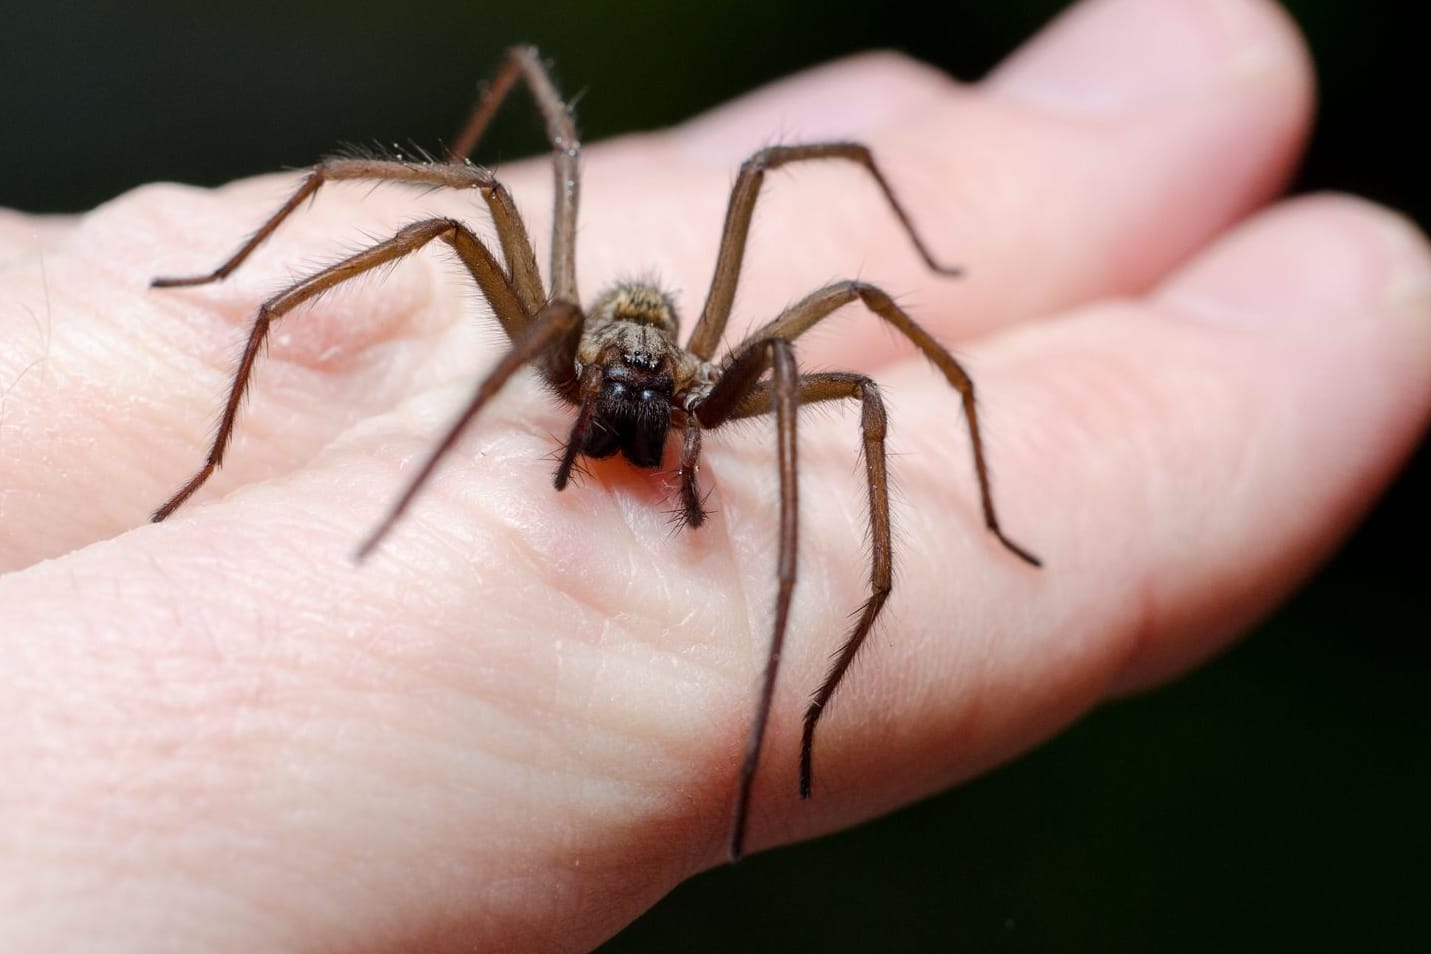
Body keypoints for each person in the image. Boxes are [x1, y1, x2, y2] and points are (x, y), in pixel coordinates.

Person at [1, 0, 1427, 949]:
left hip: (695, 378)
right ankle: (295, 414)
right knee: (479, 199)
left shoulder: (705, 380)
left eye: (641, 395)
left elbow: (851, 325)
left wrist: (809, 681)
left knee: (846, 345)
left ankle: (794, 691)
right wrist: (356, 482)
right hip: (575, 315)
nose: (620, 411)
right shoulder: (561, 337)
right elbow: (489, 207)